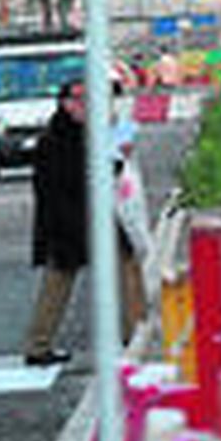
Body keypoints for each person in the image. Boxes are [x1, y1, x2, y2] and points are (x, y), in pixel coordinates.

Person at [24, 80, 149, 366]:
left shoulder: (86, 133)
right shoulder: (57, 139)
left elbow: (103, 172)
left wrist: (117, 152)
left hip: (93, 215)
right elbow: (75, 180)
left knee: (127, 266)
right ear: (64, 103)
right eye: (78, 99)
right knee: (59, 280)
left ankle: (137, 334)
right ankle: (38, 345)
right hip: (69, 220)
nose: (85, 105)